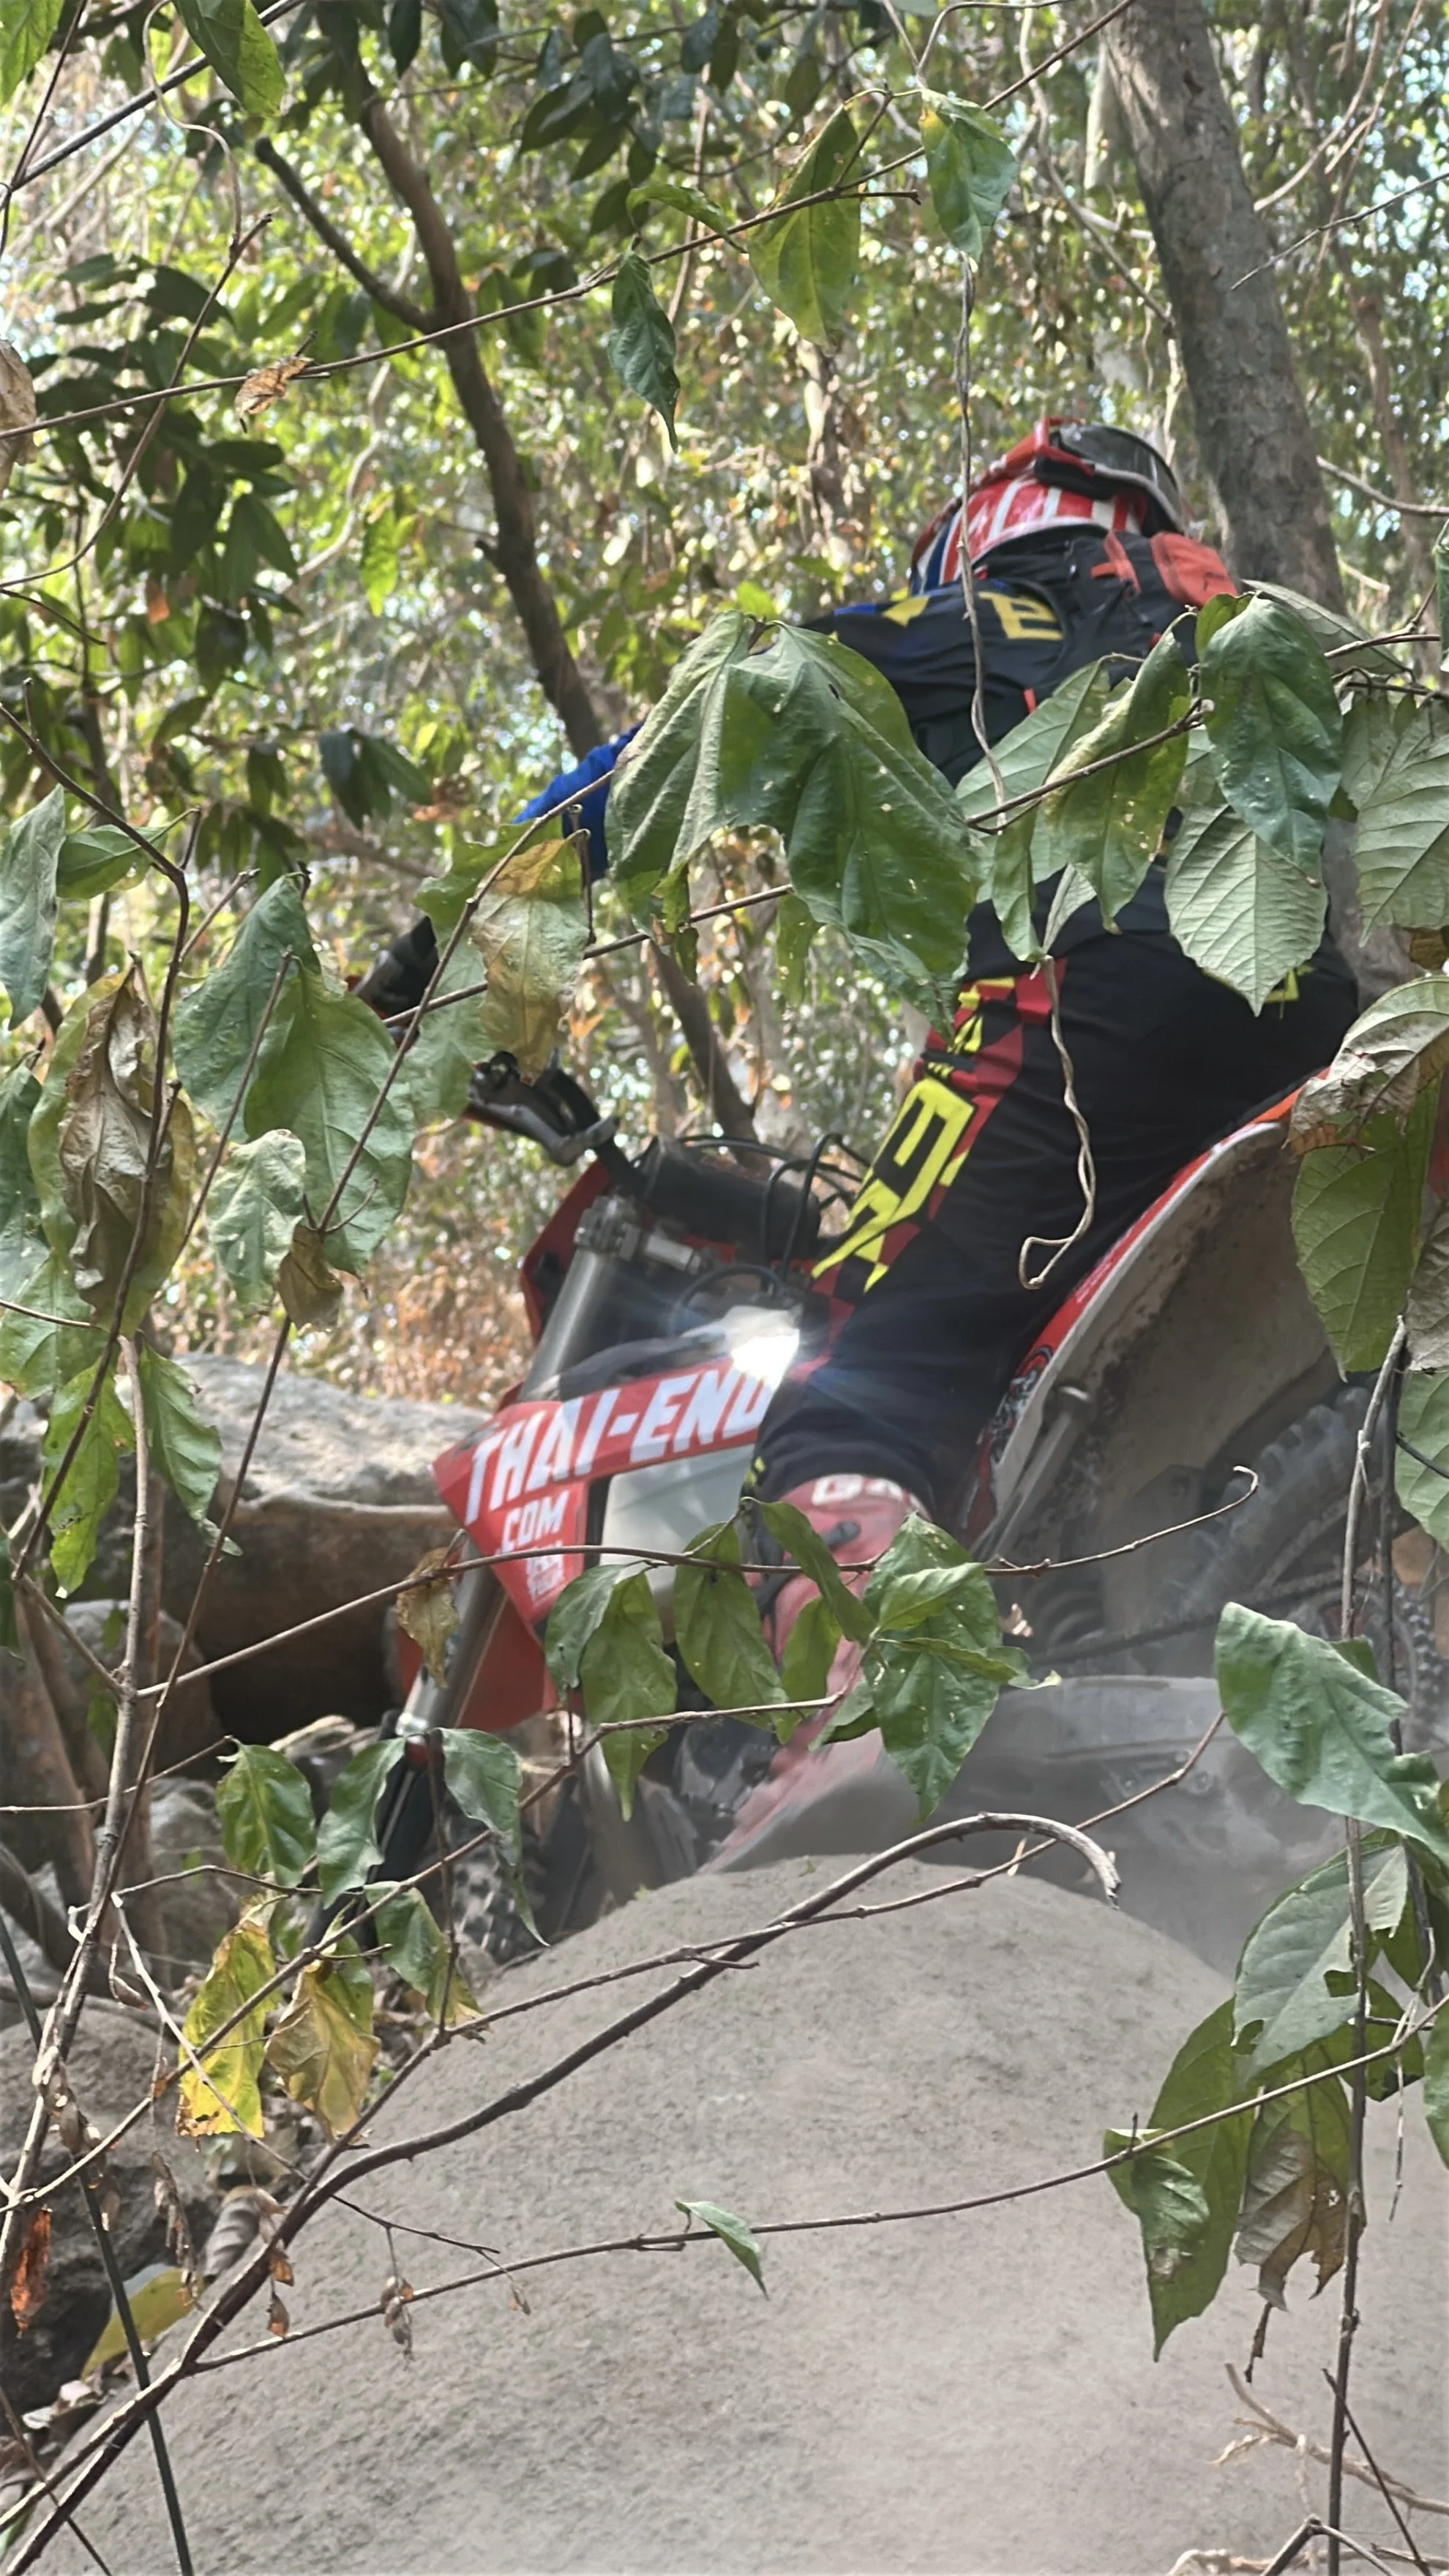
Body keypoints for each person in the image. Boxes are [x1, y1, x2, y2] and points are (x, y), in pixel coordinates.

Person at [364, 419, 1359, 1795]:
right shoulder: (1270, 638)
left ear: (987, 524)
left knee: (858, 1386)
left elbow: (694, 736)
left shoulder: (986, 614)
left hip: (1092, 1000)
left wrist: (454, 935)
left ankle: (865, 1744)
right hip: (1323, 1024)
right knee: (1025, 1402)